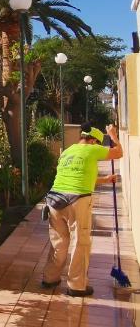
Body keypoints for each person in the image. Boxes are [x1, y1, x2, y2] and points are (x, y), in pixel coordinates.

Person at [42, 123, 123, 297]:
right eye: (97, 143)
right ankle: (77, 286)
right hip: (77, 202)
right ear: (93, 140)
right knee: (80, 243)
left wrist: (105, 179)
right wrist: (113, 135)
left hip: (55, 200)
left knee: (59, 243)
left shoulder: (68, 151)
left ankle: (50, 278)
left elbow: (79, 175)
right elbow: (118, 153)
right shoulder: (92, 149)